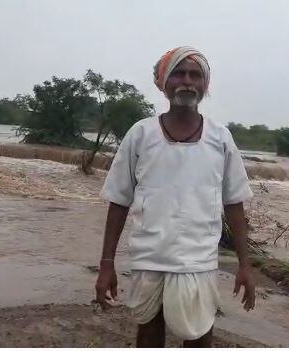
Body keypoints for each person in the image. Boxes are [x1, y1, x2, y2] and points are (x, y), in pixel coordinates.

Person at [95, 46, 255, 348]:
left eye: (195, 75)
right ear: (163, 82)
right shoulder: (140, 135)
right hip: (149, 255)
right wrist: (106, 263)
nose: (187, 81)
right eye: (179, 73)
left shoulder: (220, 138)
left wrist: (245, 266)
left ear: (205, 86)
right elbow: (118, 201)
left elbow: (234, 203)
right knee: (149, 333)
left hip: (198, 259)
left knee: (198, 334)